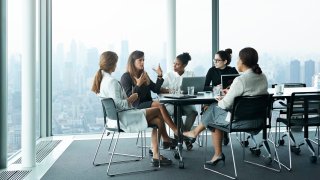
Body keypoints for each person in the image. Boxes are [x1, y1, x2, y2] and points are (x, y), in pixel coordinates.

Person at [183, 47, 268, 165]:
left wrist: (221, 99)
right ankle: (213, 150)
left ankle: (196, 134)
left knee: (213, 108)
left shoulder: (240, 80)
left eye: (238, 59)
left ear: (243, 62)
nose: (237, 61)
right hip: (258, 121)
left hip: (239, 121)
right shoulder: (262, 76)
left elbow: (225, 104)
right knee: (213, 114)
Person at [92, 51, 174, 166]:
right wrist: (132, 98)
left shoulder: (103, 80)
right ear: (112, 63)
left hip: (117, 118)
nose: (116, 65)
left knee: (158, 120)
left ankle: (157, 155)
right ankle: (168, 138)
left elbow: (155, 88)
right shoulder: (113, 81)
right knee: (158, 109)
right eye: (115, 62)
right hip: (123, 118)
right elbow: (121, 105)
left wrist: (159, 76)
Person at [120, 50, 178, 147]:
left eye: (143, 60)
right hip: (136, 106)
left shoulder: (144, 74)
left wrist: (159, 76)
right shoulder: (126, 77)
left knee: (158, 118)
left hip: (147, 104)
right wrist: (138, 84)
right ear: (133, 62)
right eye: (140, 60)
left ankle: (164, 141)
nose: (143, 62)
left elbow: (155, 89)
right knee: (159, 105)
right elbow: (131, 98)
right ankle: (175, 131)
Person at [161, 52, 198, 150]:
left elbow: (196, 89)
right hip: (171, 103)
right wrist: (170, 90)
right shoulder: (169, 75)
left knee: (193, 112)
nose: (174, 66)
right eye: (174, 63)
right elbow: (159, 89)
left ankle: (183, 136)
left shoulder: (190, 74)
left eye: (177, 64)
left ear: (184, 65)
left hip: (185, 102)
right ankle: (183, 139)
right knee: (177, 113)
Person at [203, 48, 239, 145]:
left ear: (225, 61)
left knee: (223, 109)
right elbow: (205, 87)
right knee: (211, 109)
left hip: (227, 98)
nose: (215, 62)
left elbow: (237, 86)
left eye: (217, 60)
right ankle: (222, 132)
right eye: (214, 60)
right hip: (215, 98)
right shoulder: (212, 70)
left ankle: (223, 130)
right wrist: (215, 88)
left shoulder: (232, 70)